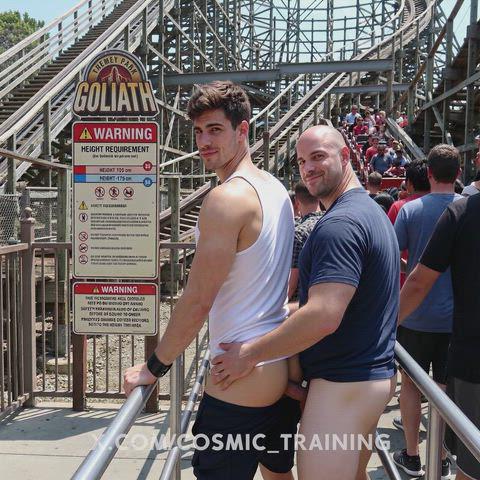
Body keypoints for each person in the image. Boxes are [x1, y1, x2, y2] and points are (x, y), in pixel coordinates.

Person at [123, 81, 297, 480]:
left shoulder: (226, 199)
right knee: (277, 475)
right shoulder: (275, 189)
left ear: (243, 130)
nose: (203, 142)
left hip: (238, 380)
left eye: (215, 129)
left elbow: (198, 299)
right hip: (275, 367)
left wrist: (154, 366)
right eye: (199, 131)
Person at [211, 125, 399, 480]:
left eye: (318, 157)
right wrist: (280, 316)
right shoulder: (370, 212)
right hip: (369, 377)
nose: (308, 168)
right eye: (301, 161)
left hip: (342, 387)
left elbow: (324, 314)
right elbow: (346, 303)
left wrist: (248, 354)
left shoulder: (339, 226)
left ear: (345, 156)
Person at [392, 144, 462, 478]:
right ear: (458, 174)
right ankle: (444, 455)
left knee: (410, 384)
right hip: (455, 319)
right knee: (445, 389)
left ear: (429, 173)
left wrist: (413, 269)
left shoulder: (410, 210)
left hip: (415, 315)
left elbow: (393, 256)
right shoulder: (466, 209)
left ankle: (411, 454)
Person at [399, 193, 480, 480]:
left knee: (471, 465)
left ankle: (418, 456)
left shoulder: (462, 212)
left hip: (472, 360)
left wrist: (384, 327)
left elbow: (419, 282)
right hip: (462, 350)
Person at [289, 181, 322, 301]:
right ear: (319, 198)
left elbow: (291, 285)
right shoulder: (331, 223)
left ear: (297, 202)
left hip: (301, 302)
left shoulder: (299, 233)